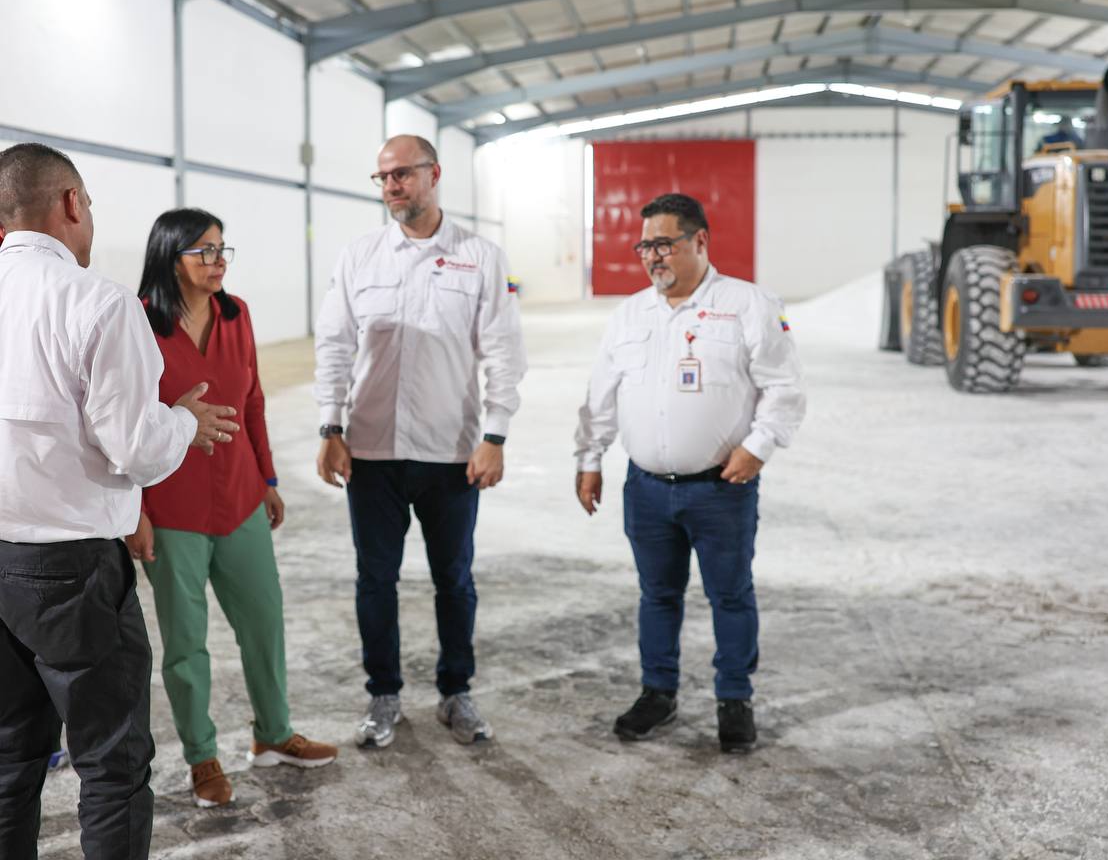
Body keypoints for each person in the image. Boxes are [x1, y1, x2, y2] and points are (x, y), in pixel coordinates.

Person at [0, 143, 239, 860]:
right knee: (111, 763)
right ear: (71, 203)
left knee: (10, 757)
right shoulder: (96, 301)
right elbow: (137, 449)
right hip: (70, 572)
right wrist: (183, 421)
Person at [315, 135, 527, 748]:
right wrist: (331, 426)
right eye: (383, 177)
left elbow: (504, 352)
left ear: (434, 174)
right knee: (375, 580)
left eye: (403, 174)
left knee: (454, 580)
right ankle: (383, 694)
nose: (391, 186)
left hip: (451, 453)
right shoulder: (360, 256)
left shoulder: (480, 257)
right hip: (371, 452)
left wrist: (494, 435)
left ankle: (456, 691)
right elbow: (334, 344)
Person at [574, 193, 806, 754]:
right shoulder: (630, 315)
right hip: (646, 489)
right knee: (657, 595)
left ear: (700, 240)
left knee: (730, 595)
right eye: (644, 247)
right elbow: (601, 395)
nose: (652, 257)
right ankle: (658, 692)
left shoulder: (748, 304)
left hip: (720, 488)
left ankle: (734, 698)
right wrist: (590, 457)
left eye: (663, 244)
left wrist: (758, 447)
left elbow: (784, 387)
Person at [127, 209, 338, 808]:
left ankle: (273, 735)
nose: (218, 261)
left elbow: (253, 402)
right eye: (204, 251)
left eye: (222, 250)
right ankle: (202, 757)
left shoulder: (236, 314)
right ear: (170, 257)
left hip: (241, 497)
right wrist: (134, 509)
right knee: (186, 644)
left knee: (263, 623)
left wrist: (267, 477)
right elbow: (123, 422)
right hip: (173, 507)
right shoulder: (138, 323)